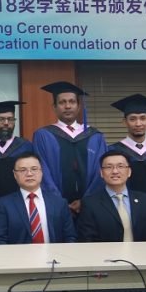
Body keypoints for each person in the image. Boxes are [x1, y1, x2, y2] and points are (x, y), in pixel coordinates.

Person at [32, 81, 105, 216]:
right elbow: (42, 171)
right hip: (55, 207)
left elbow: (100, 171)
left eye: (72, 102)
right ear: (54, 107)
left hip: (90, 207)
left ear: (78, 106)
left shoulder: (95, 136)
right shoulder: (43, 135)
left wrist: (86, 201)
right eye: (62, 102)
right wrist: (58, 202)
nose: (67, 106)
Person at [77, 150, 146, 242]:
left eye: (120, 166)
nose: (115, 171)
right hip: (105, 255)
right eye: (109, 167)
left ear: (129, 172)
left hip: (140, 254)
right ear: (101, 172)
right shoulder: (90, 203)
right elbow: (87, 239)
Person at [0, 153, 76, 244]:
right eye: (23, 170)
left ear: (41, 172)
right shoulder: (3, 205)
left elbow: (70, 237)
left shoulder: (59, 203)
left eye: (34, 169)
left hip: (54, 256)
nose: (29, 174)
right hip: (18, 257)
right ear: (15, 175)